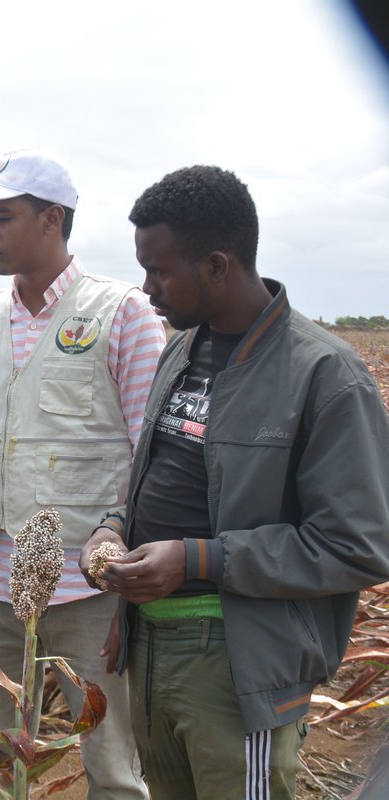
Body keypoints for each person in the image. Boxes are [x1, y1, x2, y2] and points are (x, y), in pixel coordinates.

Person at [79, 165, 389, 799]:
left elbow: (359, 545)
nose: (147, 288)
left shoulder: (325, 374)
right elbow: (166, 479)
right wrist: (113, 530)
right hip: (150, 645)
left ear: (217, 265)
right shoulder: (181, 350)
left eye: (159, 271)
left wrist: (196, 559)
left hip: (238, 663)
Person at [0, 148, 162, 799]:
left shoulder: (122, 312)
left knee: (111, 762)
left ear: (52, 219)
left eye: (2, 217)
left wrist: (131, 591)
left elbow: (151, 457)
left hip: (91, 588)